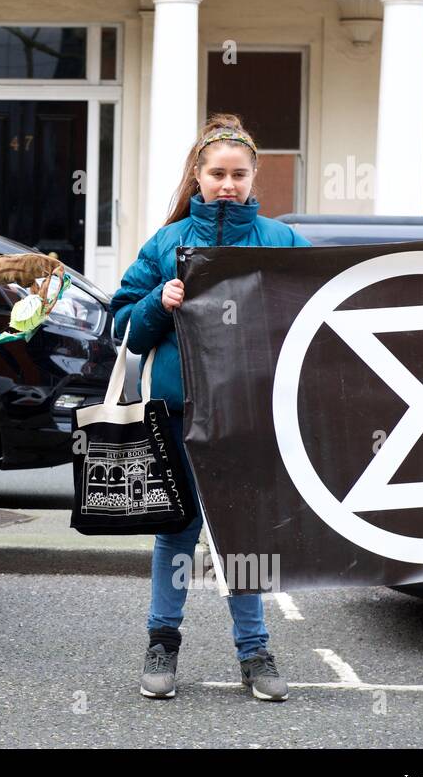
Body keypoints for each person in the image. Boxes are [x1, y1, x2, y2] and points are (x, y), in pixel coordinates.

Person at [109, 113, 311, 702]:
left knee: (241, 536)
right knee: (176, 533)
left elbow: (313, 313)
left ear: (254, 178)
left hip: (248, 414)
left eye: (238, 174)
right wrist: (157, 300)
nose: (227, 183)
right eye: (216, 173)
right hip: (178, 412)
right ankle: (162, 645)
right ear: (196, 176)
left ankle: (254, 653)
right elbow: (121, 325)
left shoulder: (280, 240)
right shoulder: (167, 244)